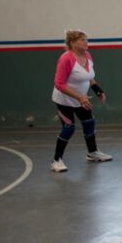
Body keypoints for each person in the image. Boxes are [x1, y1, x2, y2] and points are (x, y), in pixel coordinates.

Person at [50, 30, 112, 172]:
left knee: (89, 123)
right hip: (64, 99)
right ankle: (56, 160)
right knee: (68, 128)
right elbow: (59, 84)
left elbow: (89, 76)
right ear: (72, 43)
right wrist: (79, 97)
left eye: (86, 39)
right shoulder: (66, 59)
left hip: (81, 99)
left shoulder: (87, 56)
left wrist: (97, 89)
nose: (86, 42)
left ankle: (93, 153)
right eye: (82, 40)